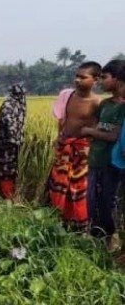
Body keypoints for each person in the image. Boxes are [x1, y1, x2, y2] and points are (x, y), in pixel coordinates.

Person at [47, 62, 102, 230]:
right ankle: (58, 220)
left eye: (83, 77)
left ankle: (80, 226)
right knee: (58, 184)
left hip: (82, 151)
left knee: (79, 188)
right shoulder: (67, 95)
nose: (77, 80)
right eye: (76, 76)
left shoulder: (98, 103)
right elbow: (62, 119)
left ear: (95, 80)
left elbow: (99, 128)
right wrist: (59, 138)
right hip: (65, 147)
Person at [83, 60, 125, 241]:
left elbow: (114, 136)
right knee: (92, 199)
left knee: (109, 200)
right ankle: (96, 233)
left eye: (105, 77)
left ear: (117, 80)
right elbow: (98, 126)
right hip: (95, 159)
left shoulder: (122, 107)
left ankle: (111, 237)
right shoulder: (104, 104)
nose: (101, 82)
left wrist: (89, 131)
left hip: (111, 162)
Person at [0, 83, 27, 200]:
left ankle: (8, 195)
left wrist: (11, 138)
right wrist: (16, 138)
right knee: (10, 168)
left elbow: (7, 122)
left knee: (6, 168)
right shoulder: (19, 104)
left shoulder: (8, 104)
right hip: (13, 142)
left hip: (8, 142)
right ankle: (9, 194)